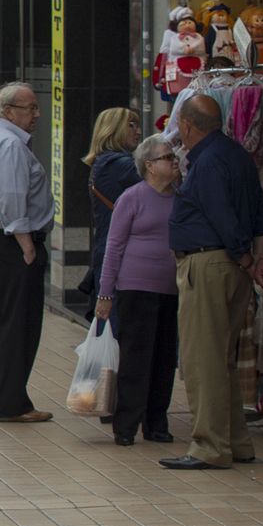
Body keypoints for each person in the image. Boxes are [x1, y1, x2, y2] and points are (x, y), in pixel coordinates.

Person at [163, 95, 263, 468]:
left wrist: (245, 255)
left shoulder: (207, 162)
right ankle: (236, 443)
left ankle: (209, 447)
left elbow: (222, 215)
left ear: (189, 125)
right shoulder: (237, 154)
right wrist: (255, 259)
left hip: (209, 264)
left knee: (203, 360)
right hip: (233, 268)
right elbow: (262, 210)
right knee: (223, 359)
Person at [0, 81, 54, 424]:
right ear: (8, 111)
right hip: (13, 245)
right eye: (29, 108)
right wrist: (27, 245)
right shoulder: (10, 145)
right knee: (18, 324)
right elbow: (13, 198)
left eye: (35, 107)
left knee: (3, 322)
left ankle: (2, 398)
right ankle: (11, 402)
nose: (36, 114)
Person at [94, 134, 180, 446]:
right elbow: (113, 247)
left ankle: (157, 423)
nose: (174, 161)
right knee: (135, 358)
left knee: (164, 358)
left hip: (170, 289)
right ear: (149, 165)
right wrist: (106, 294)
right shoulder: (133, 197)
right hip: (135, 288)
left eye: (173, 156)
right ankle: (126, 424)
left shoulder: (181, 198)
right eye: (167, 157)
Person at [80, 108, 143, 316]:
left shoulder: (103, 162)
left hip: (109, 251)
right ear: (113, 129)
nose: (139, 131)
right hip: (120, 257)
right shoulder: (120, 165)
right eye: (131, 125)